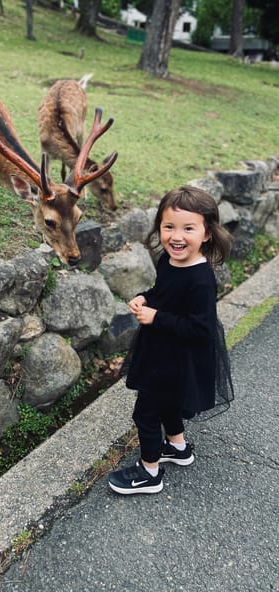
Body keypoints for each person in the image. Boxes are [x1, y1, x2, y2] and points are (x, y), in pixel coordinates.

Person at [108, 186, 234, 496]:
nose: (176, 236)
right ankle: (177, 447)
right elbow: (162, 294)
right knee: (166, 405)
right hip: (161, 349)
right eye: (169, 227)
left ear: (206, 234)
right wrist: (144, 298)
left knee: (147, 412)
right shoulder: (169, 260)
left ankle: (149, 472)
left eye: (188, 228)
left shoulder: (201, 279)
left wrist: (156, 318)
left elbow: (201, 329)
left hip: (178, 358)